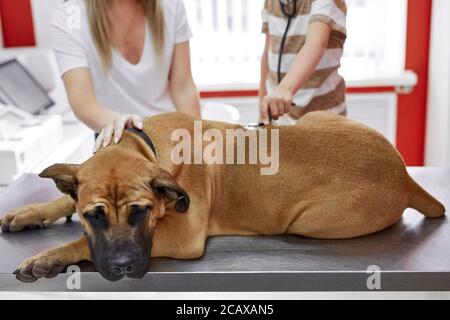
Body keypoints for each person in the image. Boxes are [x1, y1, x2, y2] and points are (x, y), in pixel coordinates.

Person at [51, 0, 201, 151]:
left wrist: (198, 141)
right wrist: (121, 123)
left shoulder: (171, 5)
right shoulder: (70, 17)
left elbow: (183, 88)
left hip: (170, 136)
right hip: (115, 138)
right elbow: (83, 102)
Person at [259, 0, 347, 125]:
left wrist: (284, 89)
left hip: (324, 118)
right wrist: (261, 111)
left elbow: (316, 43)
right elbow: (268, 52)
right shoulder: (270, 3)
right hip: (279, 119)